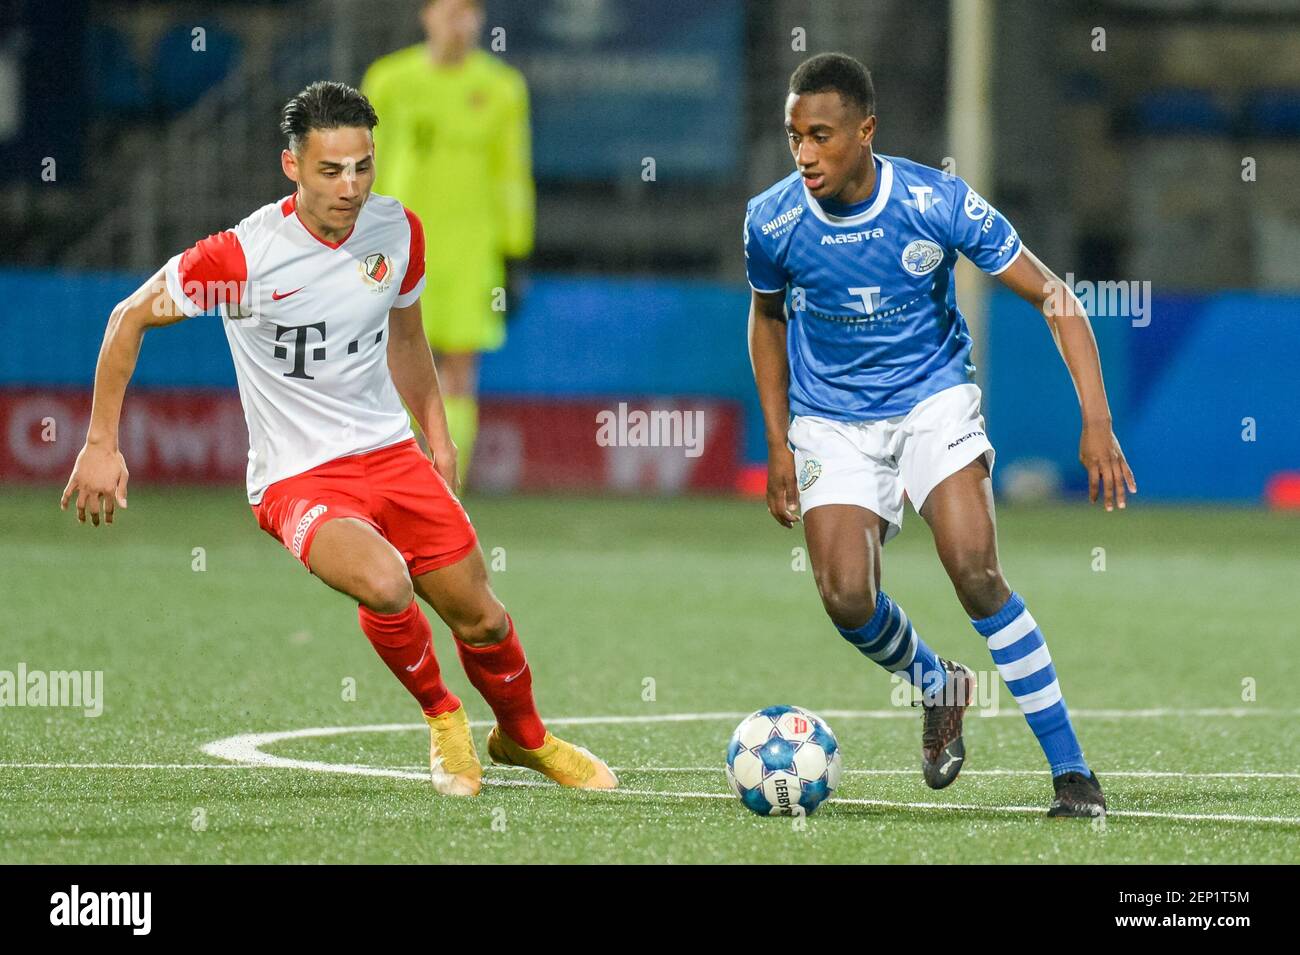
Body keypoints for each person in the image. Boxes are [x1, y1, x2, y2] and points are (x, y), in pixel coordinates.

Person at [60, 80, 613, 798]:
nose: (350, 186)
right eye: (331, 170)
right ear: (292, 167)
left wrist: (436, 432)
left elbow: (406, 337)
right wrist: (101, 442)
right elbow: (126, 318)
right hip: (299, 477)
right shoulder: (244, 258)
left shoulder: (397, 231)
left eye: (363, 166)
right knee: (386, 584)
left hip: (391, 454)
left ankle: (525, 737)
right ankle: (444, 721)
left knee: (480, 615)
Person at [745, 53, 1136, 817]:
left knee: (973, 567)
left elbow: (1055, 295)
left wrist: (1096, 418)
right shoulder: (773, 219)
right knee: (847, 596)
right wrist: (778, 440)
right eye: (794, 136)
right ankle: (939, 685)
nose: (804, 154)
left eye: (820, 136)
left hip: (932, 400)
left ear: (865, 130)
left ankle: (1071, 772)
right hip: (831, 417)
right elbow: (764, 319)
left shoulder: (934, 200)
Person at [362, 0, 535, 485]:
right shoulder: (389, 81)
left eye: (471, 13)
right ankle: (397, 478)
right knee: (397, 357)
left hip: (473, 246)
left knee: (459, 362)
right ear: (427, 15)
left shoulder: (502, 88)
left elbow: (512, 172)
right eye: (452, 11)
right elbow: (368, 161)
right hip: (400, 242)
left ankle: (446, 486)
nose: (463, 23)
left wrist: (515, 250)